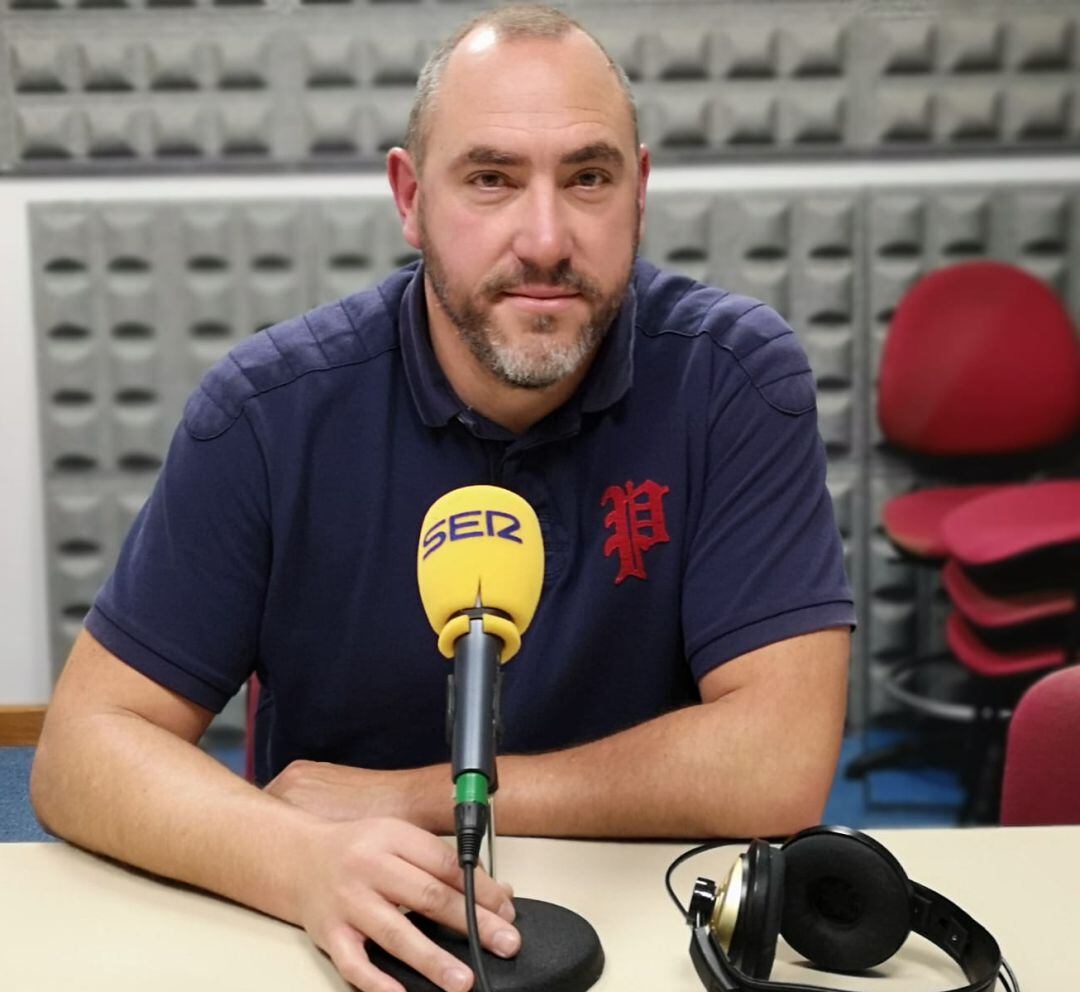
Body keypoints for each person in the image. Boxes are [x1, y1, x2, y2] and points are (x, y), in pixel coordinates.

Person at [31, 6, 854, 992]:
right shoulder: (267, 414)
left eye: (587, 178)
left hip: (651, 927)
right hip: (335, 939)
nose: (545, 238)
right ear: (411, 199)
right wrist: (295, 857)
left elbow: (778, 760)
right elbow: (81, 748)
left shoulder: (731, 380)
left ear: (638, 192)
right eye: (492, 179)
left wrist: (411, 796)